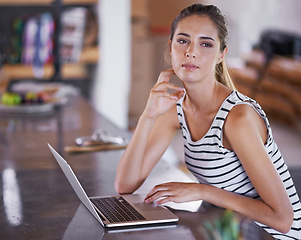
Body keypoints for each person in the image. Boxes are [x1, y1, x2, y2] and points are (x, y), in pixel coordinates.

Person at [115, 4, 301, 239]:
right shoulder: (175, 109)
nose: (191, 52)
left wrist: (202, 191)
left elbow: (283, 219)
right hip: (229, 229)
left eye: (205, 44)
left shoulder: (238, 117)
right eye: (183, 41)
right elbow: (125, 184)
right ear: (170, 47)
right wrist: (148, 115)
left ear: (221, 54)